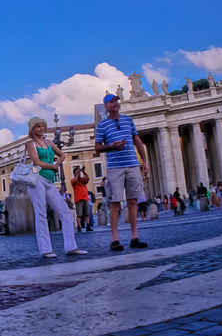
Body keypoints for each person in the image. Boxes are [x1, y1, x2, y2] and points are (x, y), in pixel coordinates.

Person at [94, 94, 150, 251]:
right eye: (111, 102)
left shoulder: (128, 120)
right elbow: (97, 147)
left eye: (116, 101)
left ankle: (134, 237)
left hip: (132, 165)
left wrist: (144, 161)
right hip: (115, 168)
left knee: (133, 202)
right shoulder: (102, 125)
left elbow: (137, 141)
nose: (115, 103)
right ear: (106, 106)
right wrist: (111, 146)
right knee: (115, 203)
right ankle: (115, 239)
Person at [26, 116, 86, 258]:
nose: (41, 128)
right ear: (32, 129)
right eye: (38, 126)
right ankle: (45, 249)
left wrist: (58, 163)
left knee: (65, 212)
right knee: (41, 214)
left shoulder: (49, 143)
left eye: (43, 125)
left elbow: (62, 154)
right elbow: (36, 162)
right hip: (37, 180)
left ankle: (71, 247)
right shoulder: (30, 144)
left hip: (49, 181)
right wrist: (52, 166)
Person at [72, 166, 93, 232]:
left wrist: (83, 172)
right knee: (79, 214)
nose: (79, 173)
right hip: (78, 199)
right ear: (74, 174)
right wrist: (77, 174)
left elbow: (88, 178)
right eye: (77, 172)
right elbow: (74, 180)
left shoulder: (82, 180)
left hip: (85, 198)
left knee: (87, 213)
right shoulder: (73, 180)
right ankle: (79, 226)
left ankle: (88, 226)